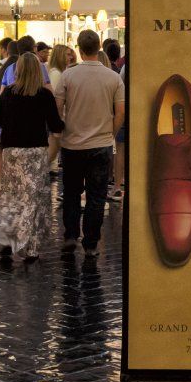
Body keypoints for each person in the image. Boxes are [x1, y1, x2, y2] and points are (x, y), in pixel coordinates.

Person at [0, 52, 62, 265]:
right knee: (33, 199)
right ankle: (29, 247)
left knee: (11, 196)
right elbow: (56, 125)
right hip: (35, 152)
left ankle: (7, 242)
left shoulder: (9, 93)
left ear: (17, 70)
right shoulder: (44, 96)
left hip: (12, 152)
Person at [55, 29, 123, 258]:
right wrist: (110, 133)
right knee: (96, 195)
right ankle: (91, 243)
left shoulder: (68, 76)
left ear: (79, 49)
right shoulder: (113, 77)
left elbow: (58, 109)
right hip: (101, 145)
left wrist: (65, 127)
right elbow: (120, 111)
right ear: (99, 47)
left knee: (72, 192)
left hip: (73, 144)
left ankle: (71, 235)